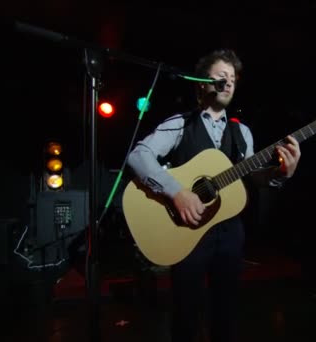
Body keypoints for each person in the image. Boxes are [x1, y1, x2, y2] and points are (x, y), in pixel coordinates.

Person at [126, 48, 301, 342]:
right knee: (187, 313)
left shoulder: (241, 132)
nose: (229, 82)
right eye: (221, 76)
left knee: (227, 312)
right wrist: (177, 192)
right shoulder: (181, 123)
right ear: (201, 84)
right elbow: (139, 155)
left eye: (232, 78)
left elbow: (251, 176)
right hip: (186, 229)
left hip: (230, 231)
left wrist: (279, 174)